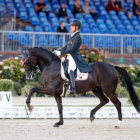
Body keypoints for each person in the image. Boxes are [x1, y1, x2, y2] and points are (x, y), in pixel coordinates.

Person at [53, 19, 92, 95]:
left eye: (72, 26)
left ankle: (73, 89)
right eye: (70, 26)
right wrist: (58, 50)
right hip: (68, 57)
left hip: (74, 57)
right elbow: (66, 47)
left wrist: (60, 52)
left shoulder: (77, 37)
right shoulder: (73, 36)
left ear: (76, 27)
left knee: (70, 69)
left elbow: (71, 49)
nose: (70, 27)